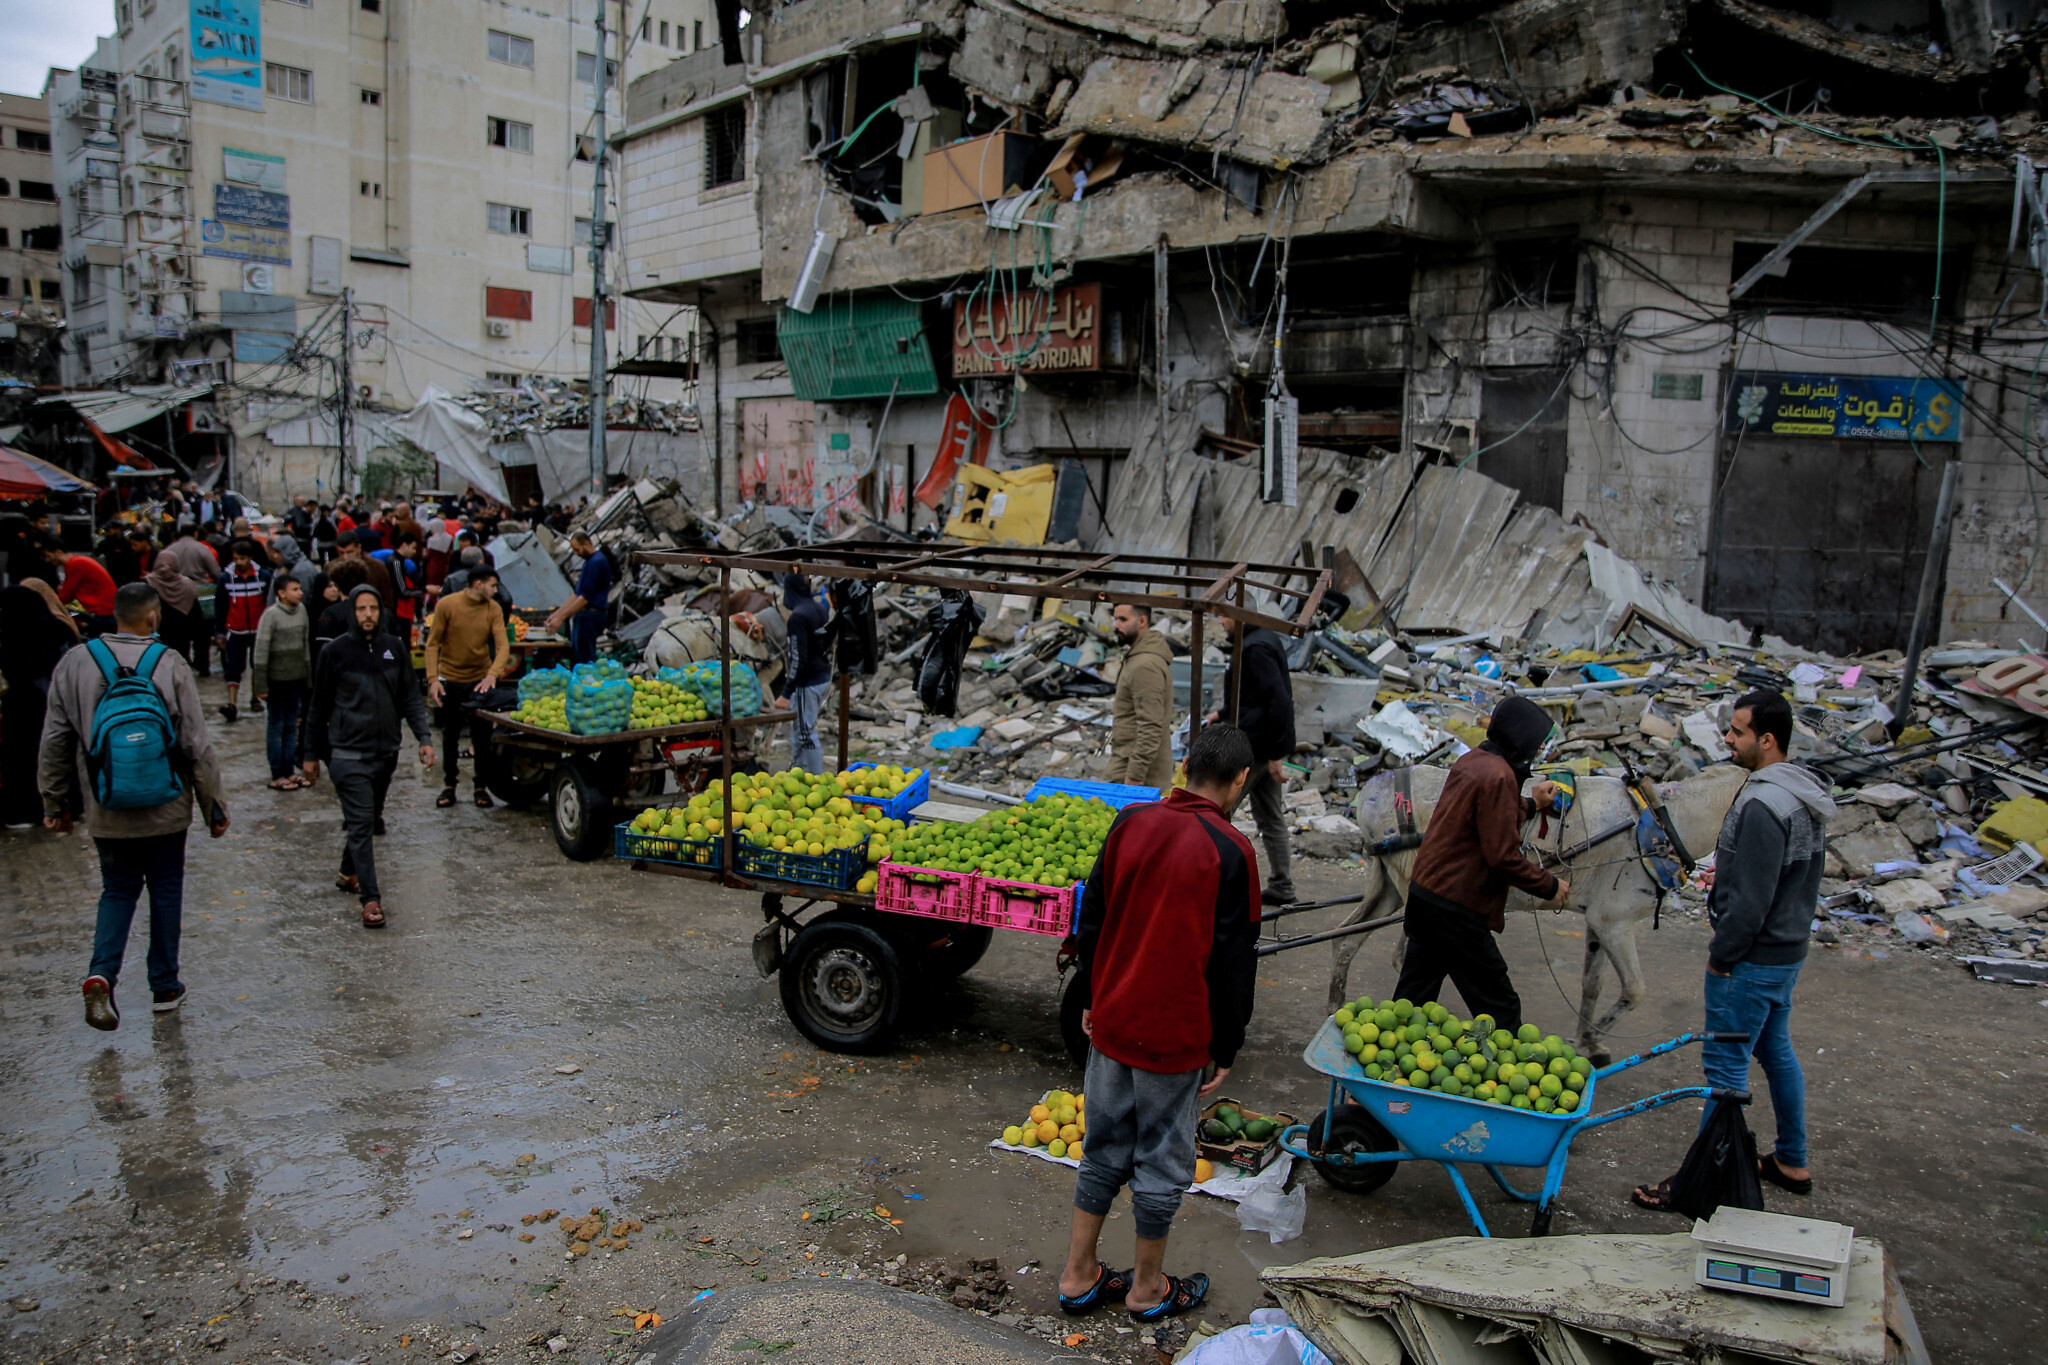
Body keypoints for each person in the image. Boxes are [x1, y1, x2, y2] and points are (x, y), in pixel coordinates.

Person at [1059, 723, 1259, 1323]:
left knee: (1102, 1147)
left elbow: (1090, 914)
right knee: (1163, 1160)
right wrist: (1227, 1043)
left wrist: (1092, 992)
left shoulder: (1131, 823)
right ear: (1239, 780)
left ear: (1185, 766)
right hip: (1175, 1036)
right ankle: (1147, 1288)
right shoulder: (1232, 851)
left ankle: (1077, 1277)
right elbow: (1233, 963)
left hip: (1114, 1017)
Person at [1633, 690, 1833, 1211]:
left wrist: (1723, 954)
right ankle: (1792, 1158)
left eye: (1738, 732)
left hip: (1752, 959)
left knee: (1724, 1075)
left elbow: (1753, 901)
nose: (1727, 739)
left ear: (1767, 741)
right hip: (1786, 953)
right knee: (1776, 1052)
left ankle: (1697, 1184)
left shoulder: (1764, 803)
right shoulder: (1800, 792)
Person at [39, 581, 228, 1028]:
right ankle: (164, 985)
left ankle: (102, 972)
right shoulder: (169, 663)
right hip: (167, 805)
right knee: (165, 889)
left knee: (118, 889)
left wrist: (54, 800)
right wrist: (213, 806)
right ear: (153, 617)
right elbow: (195, 743)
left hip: (108, 806)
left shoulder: (75, 663)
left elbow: (55, 740)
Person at [1393, 695, 1568, 1035]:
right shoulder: (1500, 776)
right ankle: (1505, 1079)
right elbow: (1502, 855)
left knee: (1411, 999)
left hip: (1427, 895)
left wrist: (1532, 804)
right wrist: (1549, 885)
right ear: (1522, 738)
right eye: (1538, 742)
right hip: (1456, 908)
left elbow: (1487, 813)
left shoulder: (1475, 760)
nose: (1539, 749)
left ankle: (1381, 1079)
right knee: (1499, 1006)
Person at [302, 584, 434, 929]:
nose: (368, 615)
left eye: (373, 608)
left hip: (386, 750)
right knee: (363, 823)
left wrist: (423, 737)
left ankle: (348, 873)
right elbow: (318, 707)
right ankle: (371, 899)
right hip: (346, 753)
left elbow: (409, 697)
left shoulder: (395, 648)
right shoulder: (336, 653)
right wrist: (311, 755)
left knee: (370, 814)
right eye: (361, 609)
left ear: (381, 611)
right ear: (351, 612)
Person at [1212, 616, 1297, 906]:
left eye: (1224, 615)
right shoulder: (1259, 640)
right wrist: (1223, 714)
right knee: (1271, 817)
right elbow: (1251, 696)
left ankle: (1220, 887)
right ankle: (1282, 886)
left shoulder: (1256, 648)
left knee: (1219, 813)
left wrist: (1275, 754)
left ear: (1240, 615)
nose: (1221, 621)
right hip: (1259, 745)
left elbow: (1278, 701)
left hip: (1254, 748)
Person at [423, 565, 510, 809]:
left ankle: (480, 786)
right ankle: (450, 784)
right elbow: (433, 644)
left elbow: (503, 645)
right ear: (478, 584)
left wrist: (493, 674)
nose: (496, 591)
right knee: (449, 735)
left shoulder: (493, 608)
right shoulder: (448, 605)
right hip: (451, 679)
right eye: (493, 586)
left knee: (482, 737)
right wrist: (433, 679)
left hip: (479, 680)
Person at [1, 584, 78, 828]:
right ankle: (64, 806)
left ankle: (27, 811)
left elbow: (18, 670)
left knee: (24, 760)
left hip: (26, 706)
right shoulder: (58, 629)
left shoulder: (15, 634)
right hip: (58, 705)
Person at [252, 573, 314, 791]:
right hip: (276, 681)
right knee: (276, 726)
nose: (300, 593)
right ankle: (276, 773)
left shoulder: (302, 612)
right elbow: (261, 652)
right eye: (295, 589)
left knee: (291, 726)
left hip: (296, 679)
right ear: (281, 593)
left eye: (300, 588)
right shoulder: (271, 616)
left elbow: (305, 646)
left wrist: (308, 678)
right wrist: (260, 685)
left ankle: (289, 770)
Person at [1102, 603, 1174, 790]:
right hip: (1128, 760)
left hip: (1137, 770)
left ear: (1142, 621)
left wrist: (1135, 774)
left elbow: (1150, 724)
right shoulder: (1138, 657)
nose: (1116, 625)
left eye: (1123, 619)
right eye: (1115, 619)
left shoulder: (1145, 665)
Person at [767, 572, 832, 774]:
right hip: (822, 676)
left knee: (805, 732)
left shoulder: (798, 617)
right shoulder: (819, 608)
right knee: (800, 732)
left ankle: (815, 780)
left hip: (808, 682)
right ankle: (800, 773)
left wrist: (786, 693)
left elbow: (798, 658)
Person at [212, 539, 271, 723]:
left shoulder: (264, 576)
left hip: (257, 630)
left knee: (257, 664)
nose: (239, 563)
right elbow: (220, 606)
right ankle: (232, 704)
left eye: (243, 559)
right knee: (233, 668)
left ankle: (255, 698)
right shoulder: (225, 579)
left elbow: (269, 604)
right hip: (235, 630)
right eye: (236, 559)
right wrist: (219, 632)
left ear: (250, 558)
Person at [544, 530, 611, 665]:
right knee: (576, 654)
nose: (576, 554)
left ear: (586, 544)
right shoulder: (589, 562)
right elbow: (576, 594)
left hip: (591, 614)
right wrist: (557, 615)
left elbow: (584, 597)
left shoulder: (597, 562)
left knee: (584, 659)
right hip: (584, 615)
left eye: (577, 549)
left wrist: (561, 618)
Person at [43, 539, 119, 636]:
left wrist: (50, 603)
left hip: (104, 612)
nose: (48, 560)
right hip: (108, 610)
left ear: (58, 552)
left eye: (48, 556)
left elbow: (65, 596)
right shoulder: (78, 561)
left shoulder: (74, 565)